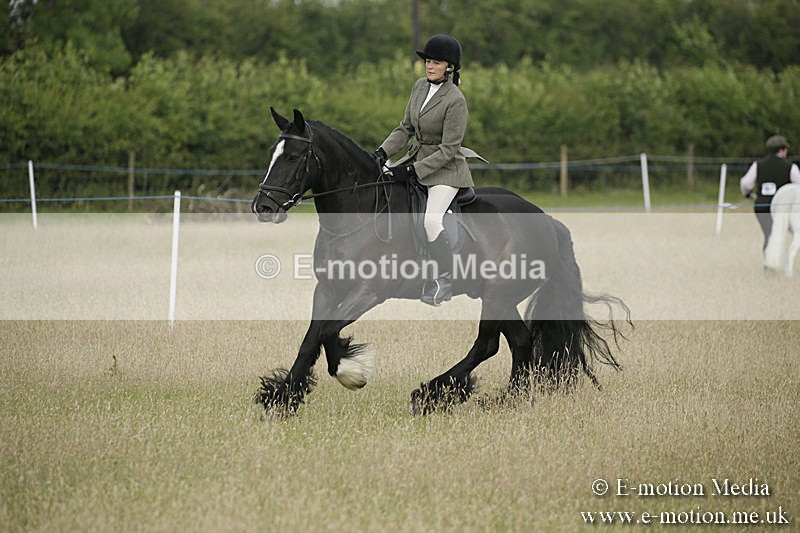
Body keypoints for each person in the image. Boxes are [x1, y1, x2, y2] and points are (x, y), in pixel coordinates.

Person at [372, 34, 479, 307]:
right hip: (415, 159)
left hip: (446, 170)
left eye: (436, 62)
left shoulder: (456, 100)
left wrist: (413, 171)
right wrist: (383, 152)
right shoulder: (419, 87)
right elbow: (405, 128)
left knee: (431, 221)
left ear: (450, 68)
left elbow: (448, 150)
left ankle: (445, 279)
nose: (429, 66)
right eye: (428, 61)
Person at [739, 135, 800, 251]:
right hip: (782, 208)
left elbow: (745, 184)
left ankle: (769, 262)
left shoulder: (758, 165)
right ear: (782, 150)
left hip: (762, 206)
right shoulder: (790, 167)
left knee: (769, 234)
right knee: (779, 234)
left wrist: (747, 194)